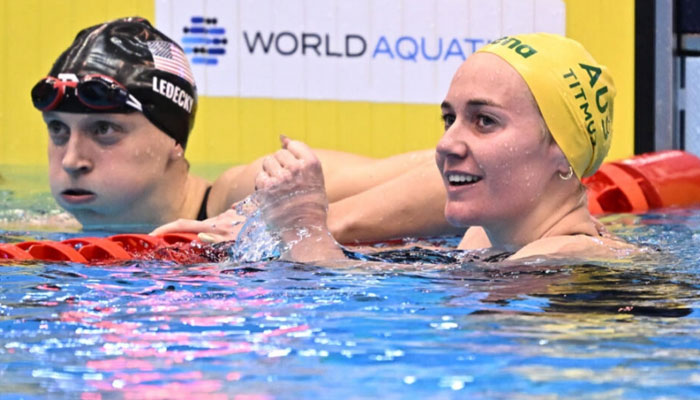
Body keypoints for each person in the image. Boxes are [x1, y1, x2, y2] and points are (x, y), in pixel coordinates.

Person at [32, 16, 459, 240]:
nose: (72, 159)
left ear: (173, 139)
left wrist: (290, 224)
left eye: (104, 129)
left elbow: (456, 177)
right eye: (57, 130)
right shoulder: (45, 231)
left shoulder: (251, 194)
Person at [255, 33, 638, 262]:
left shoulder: (561, 261)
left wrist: (301, 226)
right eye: (449, 119)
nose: (447, 143)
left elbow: (347, 321)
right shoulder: (486, 237)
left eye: (484, 121)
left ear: (561, 151)